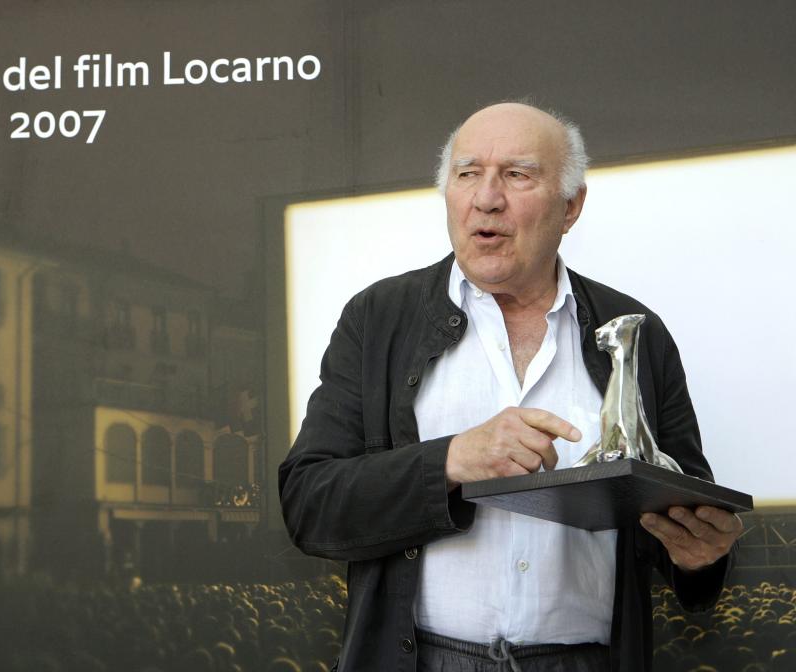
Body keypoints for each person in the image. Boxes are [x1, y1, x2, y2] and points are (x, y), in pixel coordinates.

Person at [278, 102, 742, 672]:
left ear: (570, 207)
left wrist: (700, 556)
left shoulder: (637, 333)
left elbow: (683, 512)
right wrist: (451, 460)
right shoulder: (377, 318)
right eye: (467, 173)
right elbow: (310, 504)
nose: (486, 197)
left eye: (518, 175)